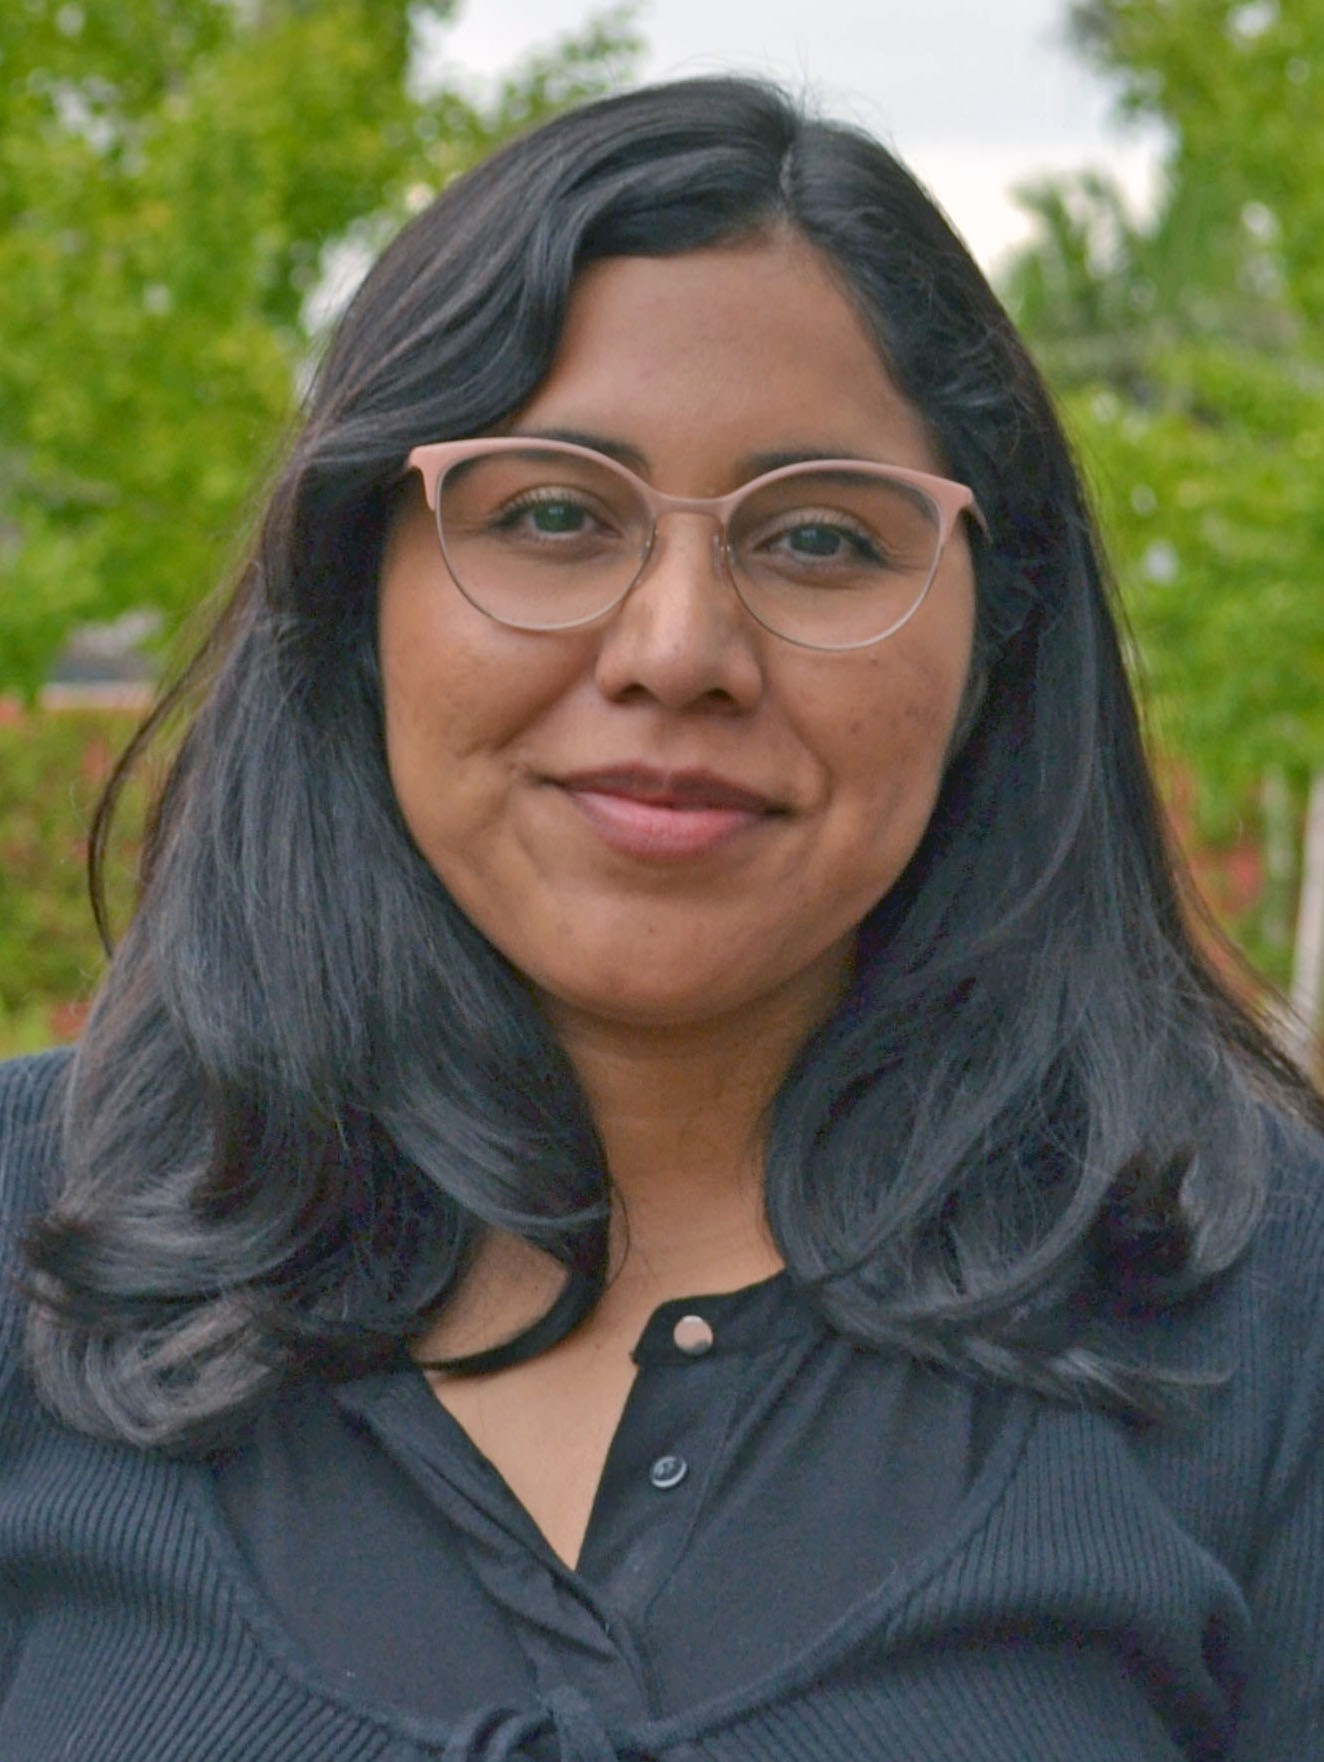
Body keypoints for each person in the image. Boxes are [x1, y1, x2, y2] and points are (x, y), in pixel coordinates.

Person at [1, 75, 1322, 1762]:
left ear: (997, 637)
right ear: (355, 598)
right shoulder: (32, 1239)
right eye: (551, 514)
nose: (680, 644)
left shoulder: (1258, 1308)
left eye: (825, 538)